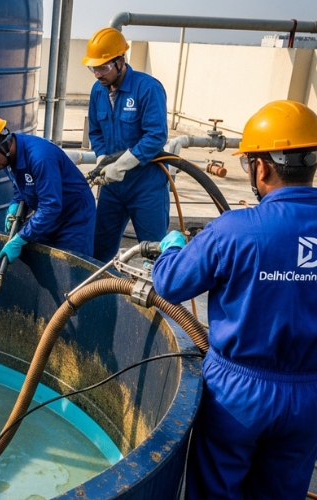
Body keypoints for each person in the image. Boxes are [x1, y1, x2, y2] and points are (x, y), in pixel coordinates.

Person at [151, 100, 317, 500]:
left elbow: (170, 285)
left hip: (237, 394)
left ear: (261, 167)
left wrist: (171, 249)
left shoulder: (235, 230)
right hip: (309, 393)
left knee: (215, 490)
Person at [83, 27, 169, 263]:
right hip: (112, 186)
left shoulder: (148, 88)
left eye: (103, 67)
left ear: (121, 61)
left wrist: (122, 165)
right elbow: (96, 132)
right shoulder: (97, 91)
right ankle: (99, 296)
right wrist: (102, 159)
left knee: (155, 254)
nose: (98, 74)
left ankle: (157, 299)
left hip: (146, 185)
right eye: (94, 68)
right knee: (99, 250)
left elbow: (156, 136)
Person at [0, 113, 96, 262]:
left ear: (3, 143)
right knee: (46, 266)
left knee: (72, 271)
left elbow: (51, 206)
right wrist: (15, 203)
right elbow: (23, 186)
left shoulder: (40, 158)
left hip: (74, 216)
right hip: (50, 215)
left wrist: (21, 237)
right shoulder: (8, 160)